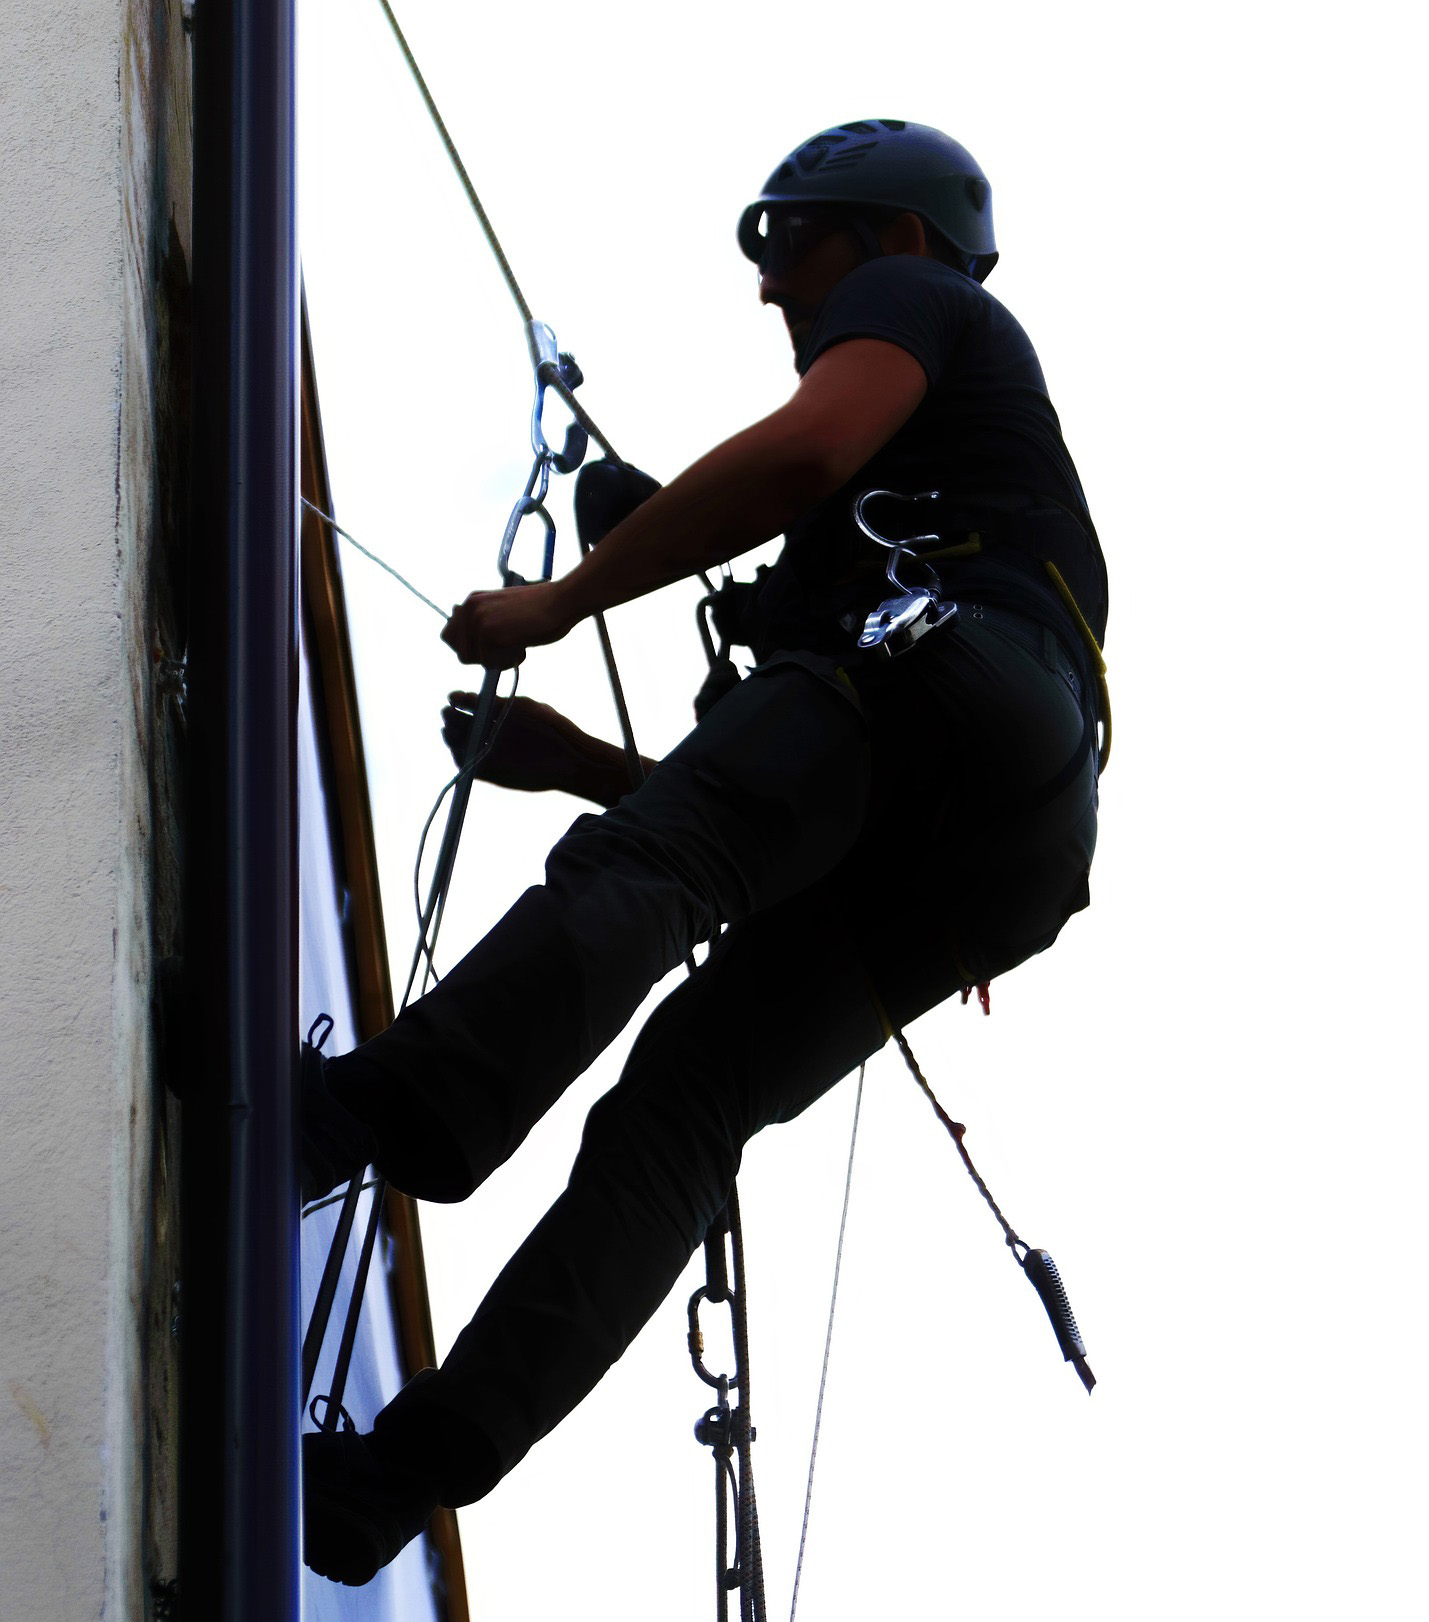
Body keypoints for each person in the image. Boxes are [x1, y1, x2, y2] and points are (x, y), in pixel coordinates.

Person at [301, 119, 1108, 1585]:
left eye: (791, 244)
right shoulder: (928, 512)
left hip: (935, 671)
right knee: (686, 1106)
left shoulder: (925, 301)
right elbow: (781, 805)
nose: (772, 289)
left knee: (652, 871)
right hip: (1008, 837)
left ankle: (374, 1115)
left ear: (894, 237)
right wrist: (580, 767)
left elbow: (799, 456)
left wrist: (561, 601)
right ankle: (391, 1484)